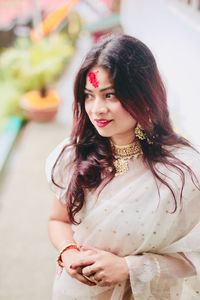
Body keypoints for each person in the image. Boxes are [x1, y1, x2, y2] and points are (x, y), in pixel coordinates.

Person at [46, 34, 200, 300]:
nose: (97, 109)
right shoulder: (73, 155)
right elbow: (57, 220)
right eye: (89, 96)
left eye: (110, 95)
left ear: (142, 94)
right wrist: (68, 252)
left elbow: (194, 256)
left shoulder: (183, 171)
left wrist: (130, 268)